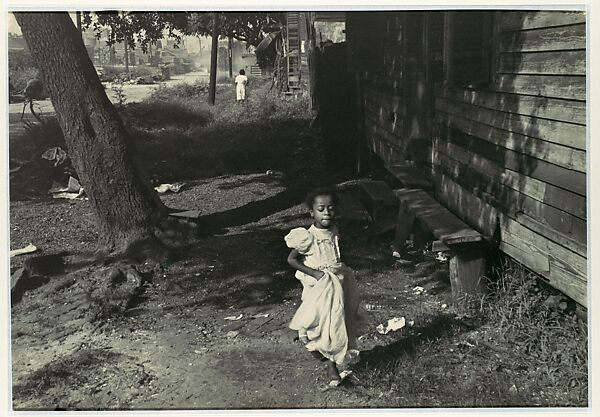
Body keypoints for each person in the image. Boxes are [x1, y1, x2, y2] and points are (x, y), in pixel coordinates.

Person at [284, 188, 361, 386]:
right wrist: (316, 274)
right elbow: (292, 260)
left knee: (335, 321)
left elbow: (335, 253)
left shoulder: (335, 230)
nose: (326, 212)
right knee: (317, 322)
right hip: (318, 286)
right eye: (321, 209)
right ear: (312, 212)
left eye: (330, 208)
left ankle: (331, 364)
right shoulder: (308, 237)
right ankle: (320, 350)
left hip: (338, 282)